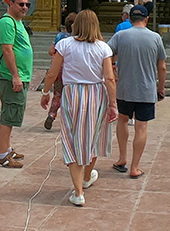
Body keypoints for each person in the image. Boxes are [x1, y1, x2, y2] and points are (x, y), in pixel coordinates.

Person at [40, 10, 117, 207]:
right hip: (97, 94)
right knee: (93, 135)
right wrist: (113, 103)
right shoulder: (103, 47)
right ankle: (86, 175)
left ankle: (78, 192)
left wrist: (46, 92)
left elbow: (53, 72)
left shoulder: (64, 44)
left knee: (72, 139)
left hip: (72, 93)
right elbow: (109, 78)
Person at [107, 5, 167, 179]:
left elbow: (105, 55)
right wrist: (161, 88)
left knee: (123, 121)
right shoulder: (155, 38)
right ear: (147, 19)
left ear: (129, 19)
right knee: (141, 127)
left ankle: (122, 159)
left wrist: (112, 71)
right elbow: (162, 66)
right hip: (146, 90)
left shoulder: (120, 36)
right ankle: (135, 167)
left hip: (124, 88)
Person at [0, 0, 34, 168]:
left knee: (12, 113)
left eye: (27, 4)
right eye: (21, 4)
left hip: (20, 75)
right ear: (11, 3)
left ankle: (7, 148)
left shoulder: (18, 23)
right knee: (9, 115)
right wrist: (16, 76)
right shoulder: (7, 23)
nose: (24, 7)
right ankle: (2, 155)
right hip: (11, 77)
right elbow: (7, 50)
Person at [44, 12, 77, 130]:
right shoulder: (78, 39)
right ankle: (70, 120)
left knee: (58, 94)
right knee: (73, 96)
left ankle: (52, 114)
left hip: (58, 70)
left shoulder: (60, 37)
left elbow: (50, 51)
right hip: (72, 72)